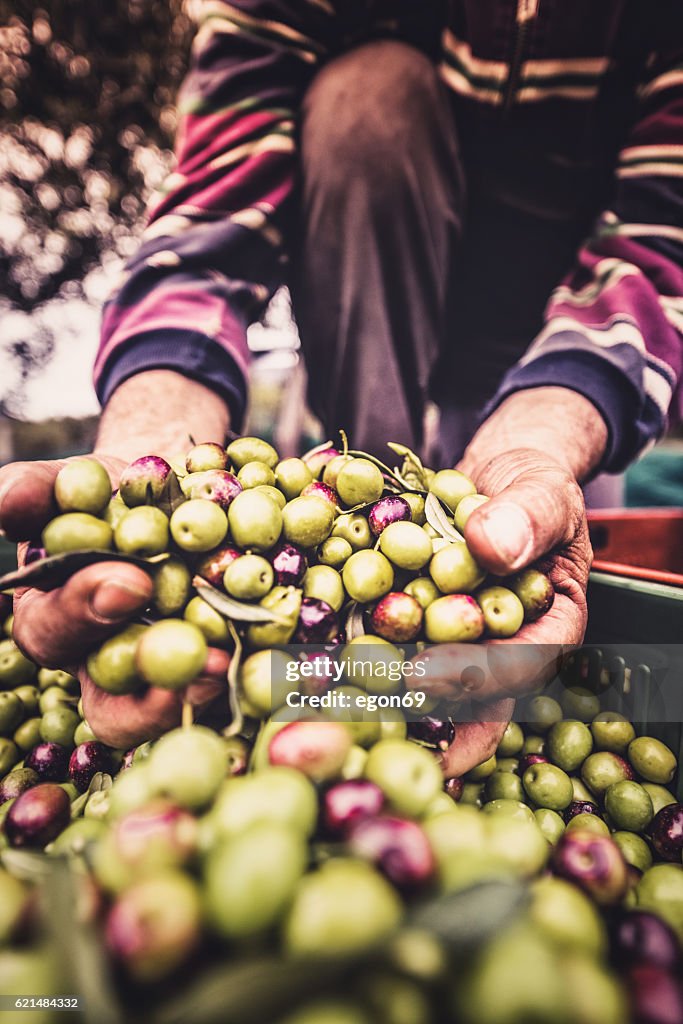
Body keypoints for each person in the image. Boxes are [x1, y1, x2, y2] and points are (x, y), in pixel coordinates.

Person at [1, 1, 681, 774]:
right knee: (367, 95)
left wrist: (543, 440)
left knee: (560, 606)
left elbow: (660, 239)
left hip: (558, 355)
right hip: (370, 321)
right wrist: (153, 432)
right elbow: (211, 217)